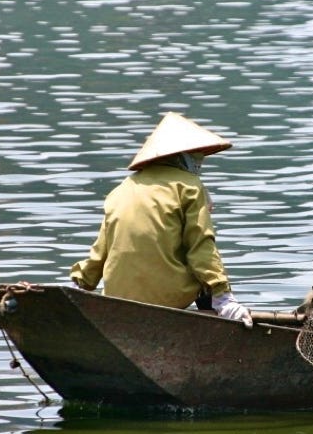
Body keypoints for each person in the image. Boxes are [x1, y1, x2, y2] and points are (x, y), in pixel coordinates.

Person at [70, 112, 253, 328]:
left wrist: (82, 283)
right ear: (181, 156)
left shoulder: (120, 190)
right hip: (165, 298)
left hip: (117, 298)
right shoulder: (190, 186)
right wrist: (224, 296)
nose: (199, 162)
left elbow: (100, 251)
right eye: (196, 156)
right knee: (205, 277)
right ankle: (216, 319)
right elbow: (201, 247)